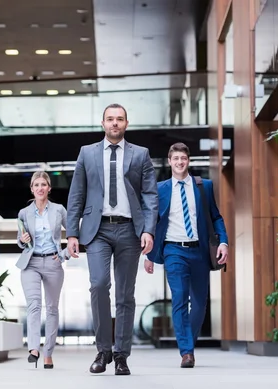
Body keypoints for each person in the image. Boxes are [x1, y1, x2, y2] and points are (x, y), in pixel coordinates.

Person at [66, 103, 158, 375]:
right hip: (97, 230)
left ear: (126, 124)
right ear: (103, 123)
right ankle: (103, 350)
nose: (114, 123)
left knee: (125, 295)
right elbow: (76, 195)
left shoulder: (141, 155)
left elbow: (150, 196)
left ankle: (121, 355)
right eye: (110, 119)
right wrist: (72, 232)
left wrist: (148, 230)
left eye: (119, 119)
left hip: (130, 230)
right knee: (98, 285)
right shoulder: (87, 153)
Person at [144, 142, 229, 368]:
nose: (180, 162)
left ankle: (187, 343)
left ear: (188, 160)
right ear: (170, 162)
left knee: (200, 305)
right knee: (180, 298)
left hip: (199, 251)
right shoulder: (160, 188)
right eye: (175, 159)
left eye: (183, 158)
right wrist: (149, 255)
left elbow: (216, 217)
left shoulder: (204, 186)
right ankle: (187, 352)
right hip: (173, 250)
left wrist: (224, 242)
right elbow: (152, 222)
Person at [16, 171, 77, 369]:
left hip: (52, 263)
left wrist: (63, 255)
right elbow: (21, 240)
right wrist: (22, 240)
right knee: (34, 305)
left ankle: (48, 353)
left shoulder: (59, 210)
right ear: (31, 189)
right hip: (30, 263)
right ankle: (34, 348)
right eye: (36, 185)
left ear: (49, 188)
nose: (40, 188)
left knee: (51, 309)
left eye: (44, 184)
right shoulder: (24, 213)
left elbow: (74, 233)